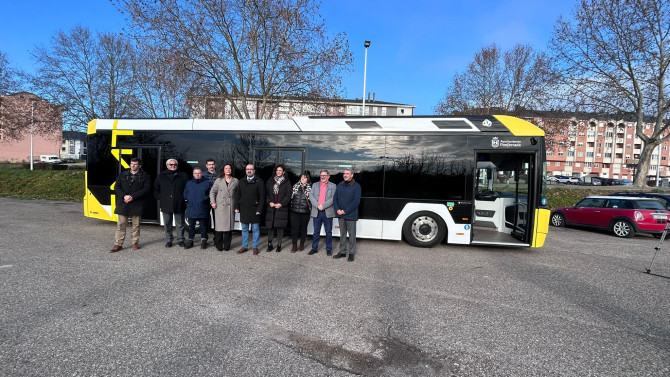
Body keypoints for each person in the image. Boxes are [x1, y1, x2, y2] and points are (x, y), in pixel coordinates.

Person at [110, 157, 151, 252]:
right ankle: (118, 244)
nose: (133, 165)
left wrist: (132, 196)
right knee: (121, 225)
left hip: (137, 203)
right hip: (123, 203)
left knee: (136, 225)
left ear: (140, 166)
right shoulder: (123, 174)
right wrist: (124, 196)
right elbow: (117, 187)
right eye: (131, 163)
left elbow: (146, 189)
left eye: (135, 164)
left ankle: (135, 243)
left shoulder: (145, 176)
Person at [154, 158, 188, 248]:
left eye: (175, 165)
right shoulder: (161, 176)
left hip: (179, 203)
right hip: (166, 203)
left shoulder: (183, 175)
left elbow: (187, 189)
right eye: (171, 165)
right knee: (167, 223)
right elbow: (156, 189)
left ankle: (181, 240)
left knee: (180, 223)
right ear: (167, 166)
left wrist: (185, 198)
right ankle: (169, 240)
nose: (173, 166)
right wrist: (160, 197)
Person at [235, 164, 265, 255]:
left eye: (251, 169)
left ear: (254, 171)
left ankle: (255, 247)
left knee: (255, 229)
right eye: (247, 169)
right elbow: (237, 195)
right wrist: (236, 207)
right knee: (244, 229)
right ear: (245, 171)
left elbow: (262, 196)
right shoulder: (241, 181)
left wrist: (259, 209)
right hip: (244, 209)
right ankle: (244, 246)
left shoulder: (259, 181)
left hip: (255, 209)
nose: (249, 171)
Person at [333, 168, 361, 262]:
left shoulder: (356, 186)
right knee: (342, 235)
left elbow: (356, 202)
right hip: (340, 215)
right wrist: (337, 209)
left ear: (352, 175)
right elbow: (335, 198)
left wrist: (344, 211)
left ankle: (351, 253)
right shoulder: (340, 185)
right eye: (344, 173)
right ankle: (342, 252)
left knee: (352, 236)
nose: (345, 175)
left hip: (351, 215)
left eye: (347, 173)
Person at [210, 164, 238, 251]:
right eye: (226, 168)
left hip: (231, 206)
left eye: (230, 168)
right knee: (219, 227)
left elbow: (238, 194)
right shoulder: (218, 180)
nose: (228, 170)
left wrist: (237, 206)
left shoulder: (236, 181)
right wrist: (213, 202)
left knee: (228, 228)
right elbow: (212, 192)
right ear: (224, 170)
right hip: (220, 206)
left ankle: (227, 246)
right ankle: (219, 245)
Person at [308, 169, 337, 256]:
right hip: (317, 211)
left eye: (324, 175)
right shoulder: (315, 185)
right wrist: (317, 205)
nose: (322, 177)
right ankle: (314, 248)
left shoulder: (333, 186)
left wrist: (323, 206)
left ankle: (329, 249)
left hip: (327, 212)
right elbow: (311, 195)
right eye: (321, 175)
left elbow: (333, 198)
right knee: (316, 231)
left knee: (328, 232)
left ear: (328, 176)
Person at [183, 168, 213, 249]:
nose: (197, 174)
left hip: (203, 207)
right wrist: (189, 200)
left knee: (203, 226)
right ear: (193, 174)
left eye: (199, 173)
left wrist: (205, 200)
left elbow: (212, 194)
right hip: (191, 208)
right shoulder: (189, 183)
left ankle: (204, 241)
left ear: (201, 174)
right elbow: (185, 194)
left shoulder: (208, 183)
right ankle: (190, 241)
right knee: (191, 226)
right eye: (195, 173)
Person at [265, 165, 292, 252]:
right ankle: (270, 244)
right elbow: (266, 193)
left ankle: (279, 245)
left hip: (281, 208)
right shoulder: (270, 181)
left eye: (280, 170)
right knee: (270, 227)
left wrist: (281, 204)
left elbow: (288, 195)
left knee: (280, 227)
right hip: (271, 207)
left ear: (284, 172)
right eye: (277, 170)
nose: (278, 172)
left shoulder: (287, 182)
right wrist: (270, 202)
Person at [289, 172, 312, 252]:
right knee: (294, 228)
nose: (302, 179)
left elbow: (312, 200)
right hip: (294, 211)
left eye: (305, 178)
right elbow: (290, 198)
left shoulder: (310, 188)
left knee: (303, 228)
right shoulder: (295, 186)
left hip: (305, 211)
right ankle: (294, 245)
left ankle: (302, 244)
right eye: (301, 177)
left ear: (307, 179)